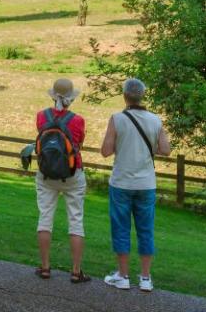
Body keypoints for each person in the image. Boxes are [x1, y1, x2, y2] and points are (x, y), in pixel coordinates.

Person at [99, 78, 172, 292]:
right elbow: (166, 150)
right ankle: (146, 278)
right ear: (143, 96)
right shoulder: (155, 120)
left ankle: (122, 275)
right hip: (146, 183)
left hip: (122, 182)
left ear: (124, 96)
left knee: (121, 228)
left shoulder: (117, 119)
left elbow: (105, 151)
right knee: (145, 230)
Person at [33, 78, 90, 283]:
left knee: (45, 218)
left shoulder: (41, 116)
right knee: (76, 220)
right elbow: (79, 144)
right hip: (72, 174)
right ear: (71, 98)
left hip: (46, 174)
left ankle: (46, 267)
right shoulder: (78, 120)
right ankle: (76, 271)